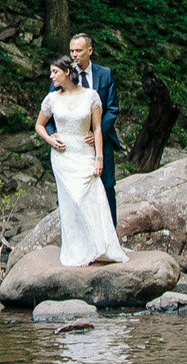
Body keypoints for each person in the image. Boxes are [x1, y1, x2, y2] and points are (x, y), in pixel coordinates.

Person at [35, 57, 131, 268]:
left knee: (91, 199)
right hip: (62, 157)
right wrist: (51, 139)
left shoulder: (91, 96)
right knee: (72, 202)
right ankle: (77, 249)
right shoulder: (51, 99)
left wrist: (99, 157)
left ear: (67, 72)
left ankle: (101, 246)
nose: (51, 77)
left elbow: (97, 128)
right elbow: (39, 125)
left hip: (85, 153)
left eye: (54, 72)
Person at [51, 32, 121, 222]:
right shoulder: (63, 74)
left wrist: (98, 132)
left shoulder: (105, 74)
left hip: (102, 139)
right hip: (72, 144)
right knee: (72, 190)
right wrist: (52, 135)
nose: (74, 55)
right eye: (72, 51)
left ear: (89, 51)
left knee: (106, 186)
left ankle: (111, 235)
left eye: (78, 51)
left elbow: (112, 108)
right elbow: (50, 108)